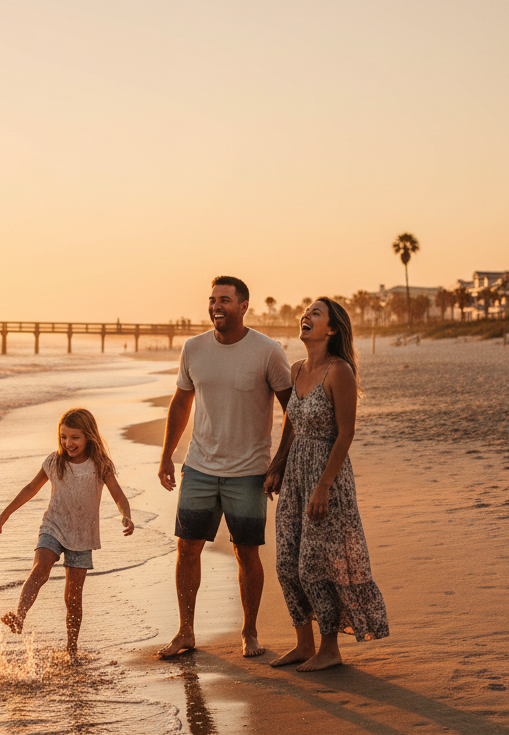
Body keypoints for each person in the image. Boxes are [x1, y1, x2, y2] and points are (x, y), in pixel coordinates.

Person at [157, 275, 293, 659]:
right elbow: (182, 402)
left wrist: (278, 463)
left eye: (225, 300)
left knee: (246, 552)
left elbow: (292, 411)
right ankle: (185, 632)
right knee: (187, 549)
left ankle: (249, 632)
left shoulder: (267, 351)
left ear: (243, 305)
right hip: (199, 466)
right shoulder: (194, 348)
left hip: (249, 471)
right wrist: (168, 454)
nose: (217, 306)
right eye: (213, 300)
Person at [263, 298, 388, 670]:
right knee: (286, 562)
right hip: (296, 474)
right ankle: (303, 643)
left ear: (331, 329)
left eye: (316, 313)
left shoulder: (340, 371)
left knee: (314, 566)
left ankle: (329, 648)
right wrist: (277, 464)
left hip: (327, 477)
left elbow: (346, 434)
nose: (306, 315)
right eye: (306, 311)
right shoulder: (297, 368)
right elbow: (291, 422)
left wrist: (323, 487)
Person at [0, 408, 134, 659]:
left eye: (75, 437)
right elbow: (31, 488)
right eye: (64, 437)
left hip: (82, 535)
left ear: (89, 436)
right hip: (53, 526)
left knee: (73, 597)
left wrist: (126, 514)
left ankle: (71, 649)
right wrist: (5, 514)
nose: (68, 443)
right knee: (40, 568)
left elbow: (119, 495)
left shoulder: (100, 464)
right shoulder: (54, 461)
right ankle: (19, 616)